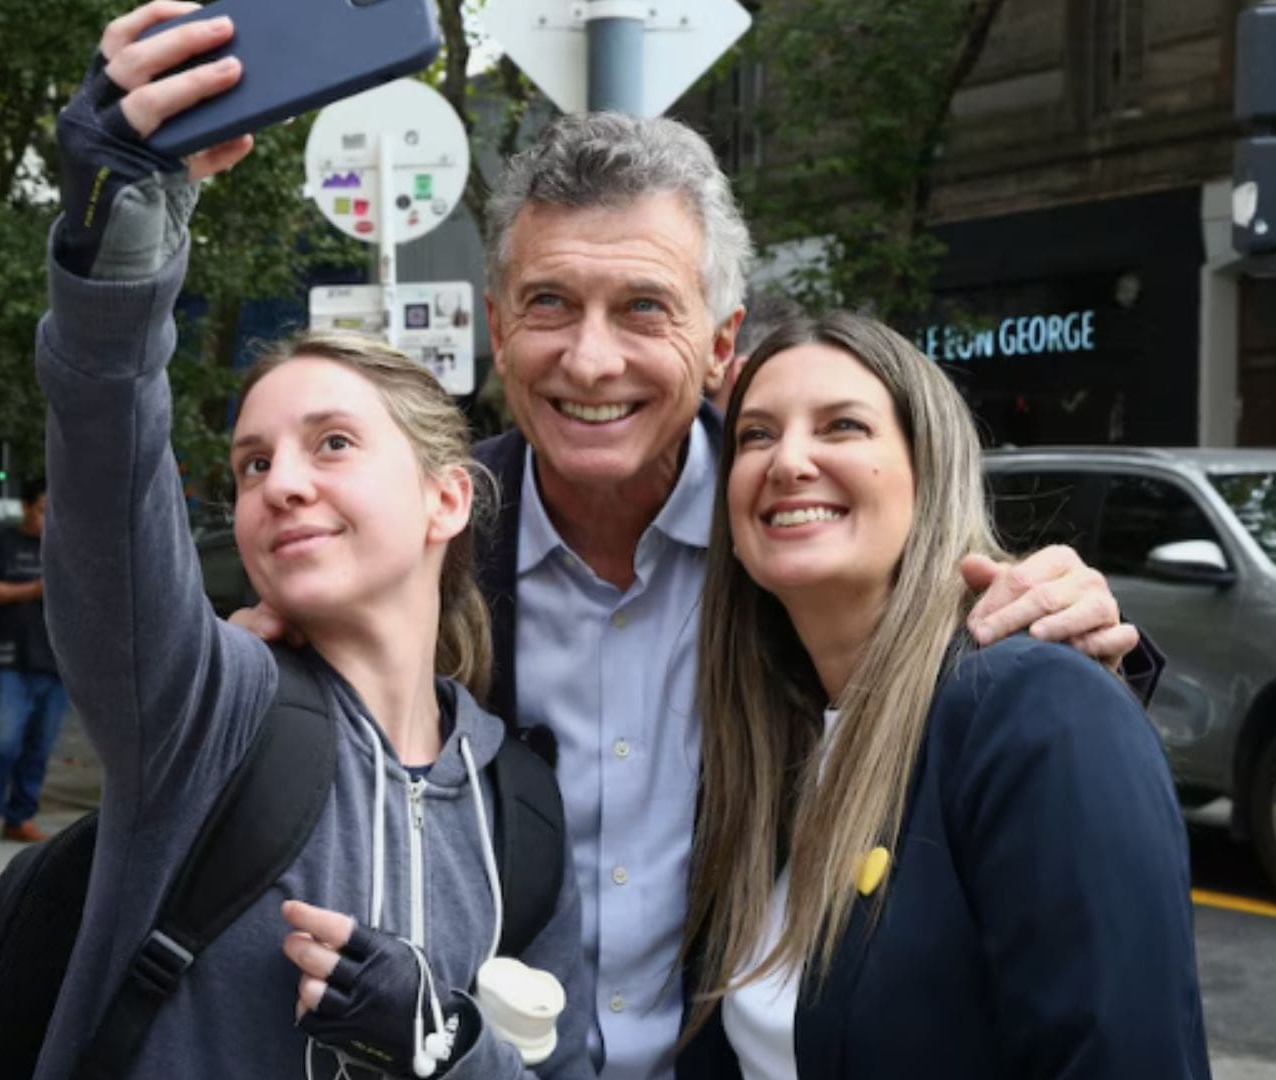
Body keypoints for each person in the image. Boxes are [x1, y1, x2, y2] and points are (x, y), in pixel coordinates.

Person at [462, 113, 1158, 1078]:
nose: (591, 359)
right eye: (549, 303)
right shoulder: (420, 544)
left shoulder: (794, 551)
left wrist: (1084, 657)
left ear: (721, 344)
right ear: (498, 329)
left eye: (643, 308)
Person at [26, 6, 591, 1076]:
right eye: (252, 463)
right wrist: (121, 230)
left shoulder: (519, 807)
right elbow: (107, 439)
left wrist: (444, 1043)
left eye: (332, 443)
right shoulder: (202, 710)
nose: (281, 482)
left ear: (446, 501)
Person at [674, 313, 1208, 1077]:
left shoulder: (1036, 708)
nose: (788, 461)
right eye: (756, 435)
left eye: (843, 426)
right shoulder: (763, 748)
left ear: (930, 472)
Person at [0, 478, 67, 849]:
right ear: (25, 507)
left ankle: (20, 817)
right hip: (6, 658)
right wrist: (33, 590)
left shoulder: (68, 549)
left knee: (40, 745)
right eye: (43, 510)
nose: (50, 519)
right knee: (1, 741)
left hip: (57, 662)